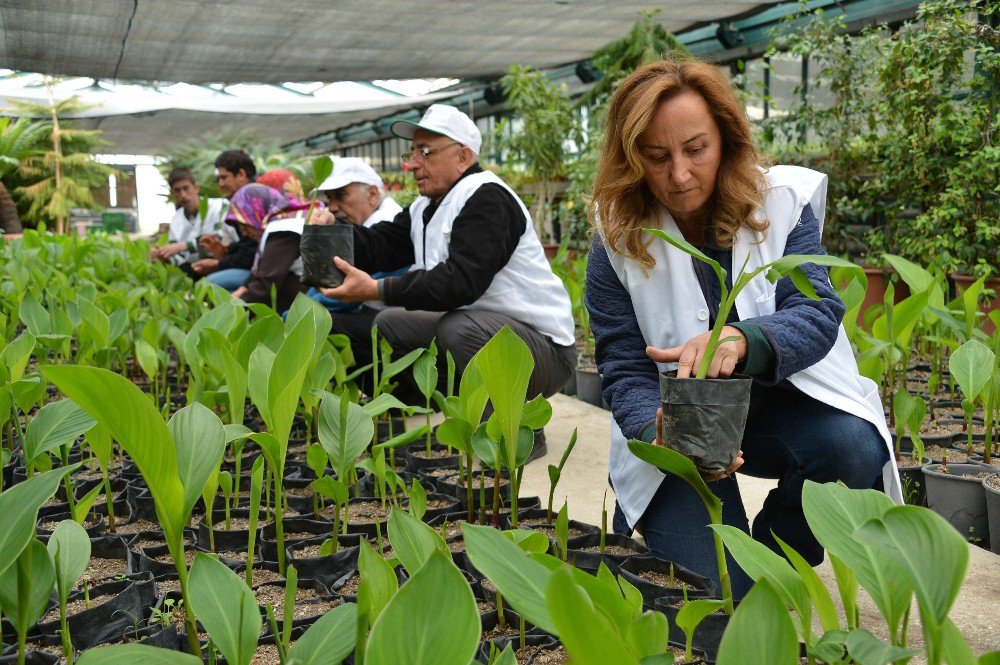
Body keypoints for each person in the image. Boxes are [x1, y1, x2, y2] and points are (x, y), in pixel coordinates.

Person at [585, 59, 900, 597]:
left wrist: (741, 339)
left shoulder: (779, 204)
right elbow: (622, 365)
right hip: (681, 428)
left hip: (779, 408)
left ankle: (774, 558)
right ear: (631, 157)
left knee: (852, 445)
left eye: (695, 149)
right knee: (712, 591)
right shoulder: (617, 237)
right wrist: (653, 432)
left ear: (726, 140)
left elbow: (816, 312)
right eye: (657, 157)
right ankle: (740, 572)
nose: (679, 175)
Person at [313, 104, 576, 409]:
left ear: (463, 157)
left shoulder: (487, 198)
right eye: (410, 153)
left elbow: (460, 283)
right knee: (390, 322)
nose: (411, 165)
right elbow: (380, 244)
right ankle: (442, 407)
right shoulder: (426, 208)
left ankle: (510, 431)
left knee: (458, 330)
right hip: (489, 331)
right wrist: (332, 236)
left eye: (425, 152)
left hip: (543, 350)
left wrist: (377, 289)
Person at [308, 157, 406, 314]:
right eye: (329, 198)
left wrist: (291, 318)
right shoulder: (365, 225)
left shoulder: (389, 227)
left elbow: (338, 297)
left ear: (372, 194)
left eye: (341, 195)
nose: (332, 207)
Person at [227, 183, 311, 313]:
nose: (244, 233)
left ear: (258, 210)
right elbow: (263, 268)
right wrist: (243, 289)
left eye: (245, 225)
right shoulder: (281, 220)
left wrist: (229, 314)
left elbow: (265, 285)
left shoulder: (284, 228)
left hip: (307, 305)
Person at [150, 167, 235, 278]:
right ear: (172, 193)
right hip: (194, 270)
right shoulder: (176, 220)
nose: (183, 195)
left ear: (196, 187)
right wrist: (164, 256)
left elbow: (221, 238)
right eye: (177, 190)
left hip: (222, 266)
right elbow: (179, 259)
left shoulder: (220, 206)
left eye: (186, 188)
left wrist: (185, 245)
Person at [193, 150, 259, 291]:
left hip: (263, 271)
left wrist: (219, 263)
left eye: (224, 177)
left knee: (207, 286)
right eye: (218, 179)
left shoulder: (249, 199)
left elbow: (251, 254)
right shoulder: (245, 198)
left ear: (241, 174)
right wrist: (227, 250)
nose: (220, 184)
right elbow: (249, 244)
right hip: (257, 267)